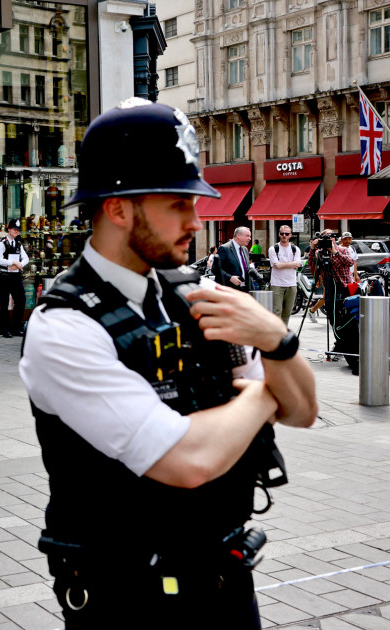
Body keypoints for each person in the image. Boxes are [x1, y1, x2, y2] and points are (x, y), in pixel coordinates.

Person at [20, 99, 317, 628]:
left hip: (227, 581)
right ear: (118, 208)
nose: (197, 220)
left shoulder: (197, 293)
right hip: (129, 601)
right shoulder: (63, 328)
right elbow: (186, 461)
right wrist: (260, 393)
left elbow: (302, 410)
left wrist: (276, 339)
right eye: (178, 203)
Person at [308, 228, 358, 374]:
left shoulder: (343, 249)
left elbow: (349, 263)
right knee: (332, 317)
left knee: (345, 319)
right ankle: (340, 345)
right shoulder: (320, 253)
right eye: (325, 237)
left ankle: (342, 346)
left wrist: (334, 251)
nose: (327, 240)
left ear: (335, 239)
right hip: (329, 289)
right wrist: (312, 249)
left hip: (344, 288)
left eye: (330, 237)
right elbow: (313, 267)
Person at [0, 218, 29, 337]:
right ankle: (5, 329)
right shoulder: (1, 242)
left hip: (15, 276)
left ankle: (16, 327)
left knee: (21, 300)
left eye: (18, 230)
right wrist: (13, 263)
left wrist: (20, 265)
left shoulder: (18, 243)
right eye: (14, 229)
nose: (16, 232)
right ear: (9, 229)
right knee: (4, 302)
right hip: (4, 276)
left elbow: (26, 258)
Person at [269, 226, 303, 326]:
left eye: (287, 234)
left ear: (290, 235)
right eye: (282, 233)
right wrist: (291, 264)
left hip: (292, 284)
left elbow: (297, 265)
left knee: (287, 312)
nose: (284, 236)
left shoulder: (295, 249)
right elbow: (276, 266)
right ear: (279, 234)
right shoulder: (273, 249)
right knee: (277, 311)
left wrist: (282, 264)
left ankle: (283, 333)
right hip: (277, 284)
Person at [213, 226, 254, 292]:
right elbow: (215, 269)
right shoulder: (225, 248)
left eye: (250, 236)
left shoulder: (245, 249)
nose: (249, 238)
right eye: (247, 236)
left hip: (245, 290)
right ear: (238, 236)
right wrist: (230, 278)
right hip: (230, 290)